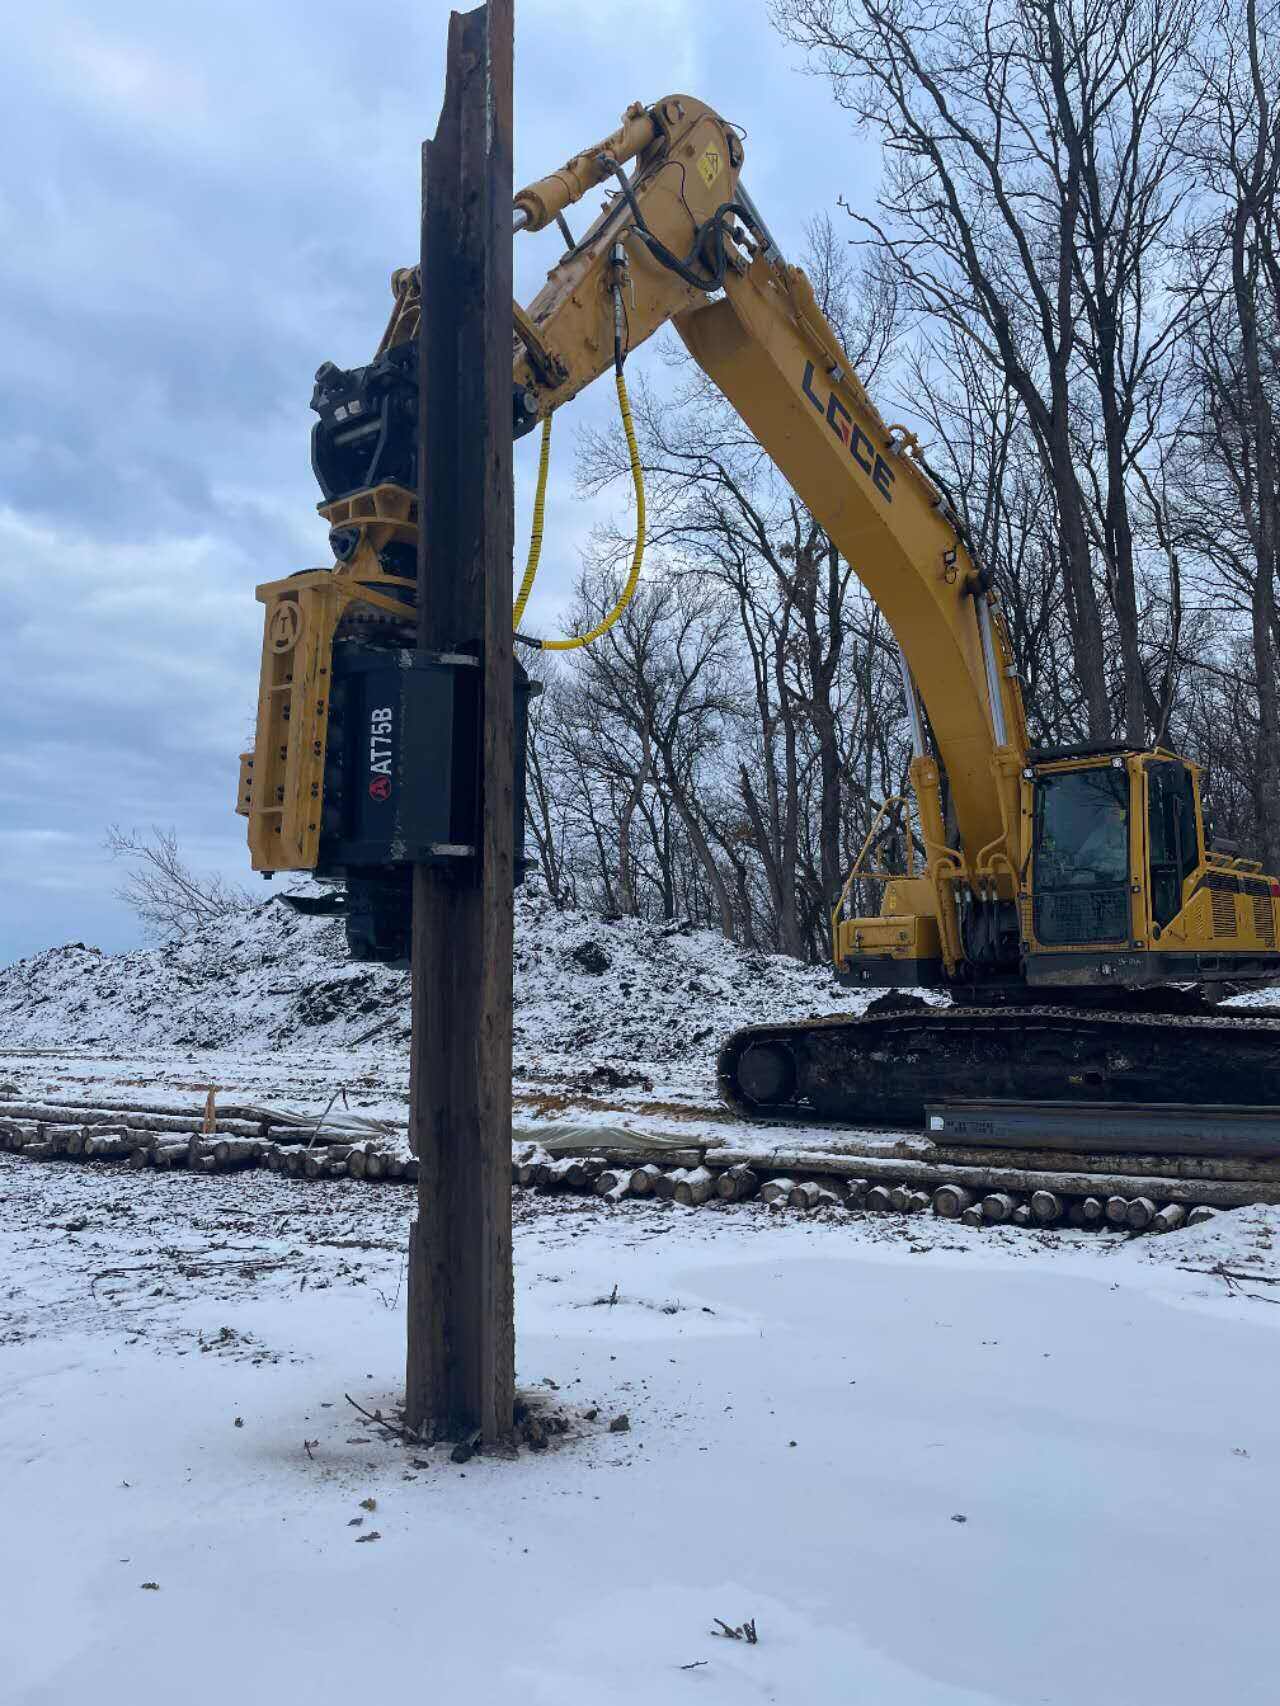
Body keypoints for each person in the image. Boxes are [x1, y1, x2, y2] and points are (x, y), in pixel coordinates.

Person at [1071, 799, 1128, 883]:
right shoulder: (1098, 834)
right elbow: (1081, 858)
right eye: (1110, 813)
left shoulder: (1131, 833)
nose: (1113, 816)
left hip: (1124, 880)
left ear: (1122, 815)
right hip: (1099, 879)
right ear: (1106, 815)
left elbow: (1131, 860)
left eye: (1116, 813)